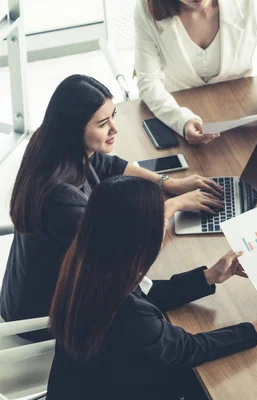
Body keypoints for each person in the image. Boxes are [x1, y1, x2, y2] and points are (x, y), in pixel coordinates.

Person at [0, 75, 224, 341]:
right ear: (74, 128)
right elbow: (125, 254)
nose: (115, 128)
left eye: (113, 116)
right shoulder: (60, 197)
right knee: (163, 326)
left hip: (25, 294)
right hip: (43, 319)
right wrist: (172, 206)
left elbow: (108, 166)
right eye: (103, 123)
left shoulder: (54, 146)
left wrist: (168, 183)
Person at [46, 176, 257, 399]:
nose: (164, 226)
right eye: (160, 220)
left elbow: (148, 294)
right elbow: (191, 349)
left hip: (80, 386)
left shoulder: (87, 268)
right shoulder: (131, 315)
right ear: (140, 237)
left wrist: (209, 276)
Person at [134, 0, 257, 145]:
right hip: (179, 120)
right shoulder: (146, 9)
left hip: (242, 123)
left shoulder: (248, 4)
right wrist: (181, 121)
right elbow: (148, 83)